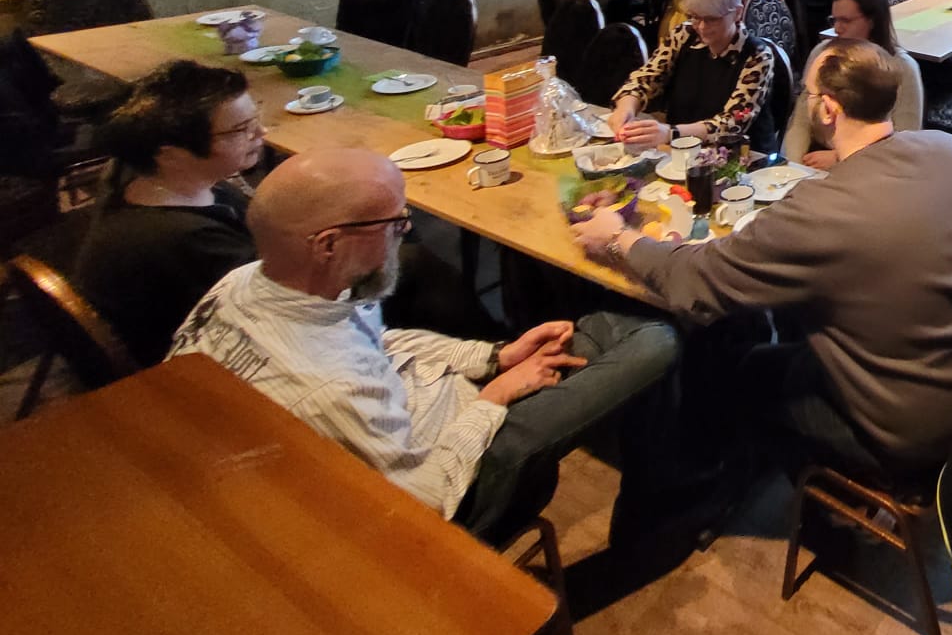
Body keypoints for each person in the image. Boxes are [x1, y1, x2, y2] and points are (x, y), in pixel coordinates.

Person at [168, 148, 679, 543]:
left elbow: (376, 341)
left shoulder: (253, 282)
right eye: (394, 221)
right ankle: (659, 522)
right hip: (453, 484)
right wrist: (493, 397)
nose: (407, 228)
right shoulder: (326, 389)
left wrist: (492, 357)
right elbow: (428, 501)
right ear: (328, 243)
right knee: (658, 338)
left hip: (431, 409)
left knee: (607, 327)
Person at [575, 40, 952, 472]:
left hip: (908, 427)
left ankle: (708, 490)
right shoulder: (948, 149)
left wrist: (618, 238)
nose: (805, 101)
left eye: (808, 93)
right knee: (784, 328)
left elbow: (695, 281)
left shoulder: (820, 209)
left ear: (829, 109)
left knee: (724, 370)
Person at [74, 61, 267, 365]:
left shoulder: (133, 173)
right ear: (171, 155)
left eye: (255, 119)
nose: (260, 132)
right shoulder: (190, 240)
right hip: (198, 363)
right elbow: (280, 299)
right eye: (241, 129)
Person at [611, 0, 778, 153]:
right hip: (683, 150)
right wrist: (626, 107)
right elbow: (646, 78)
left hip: (741, 155)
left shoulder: (757, 55)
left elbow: (732, 123)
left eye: (712, 19)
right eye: (695, 17)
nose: (702, 27)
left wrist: (671, 133)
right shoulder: (684, 34)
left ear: (737, 13)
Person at [782, 0, 923, 165]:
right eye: (834, 20)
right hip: (817, 156)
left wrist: (840, 157)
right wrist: (791, 166)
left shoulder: (903, 67)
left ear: (872, 21)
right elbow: (801, 120)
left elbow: (906, 138)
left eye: (846, 21)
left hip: (874, 162)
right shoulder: (822, 53)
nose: (837, 29)